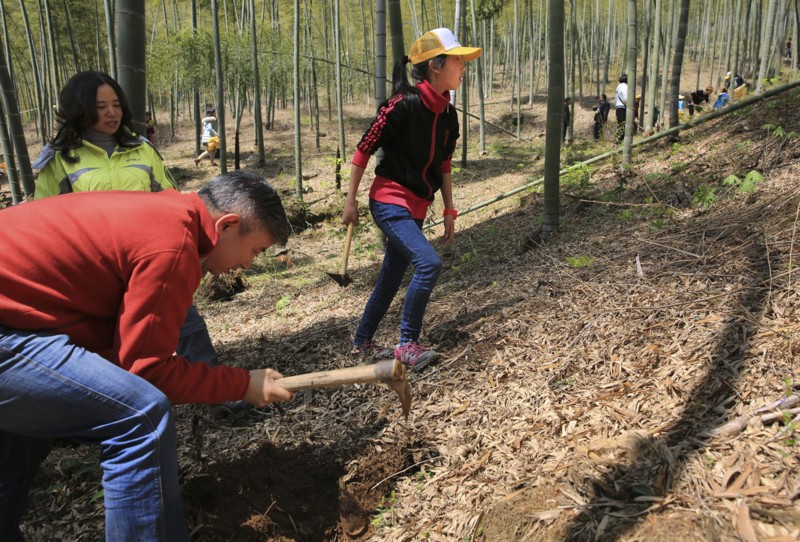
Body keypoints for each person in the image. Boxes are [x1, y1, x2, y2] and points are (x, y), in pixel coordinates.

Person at [0, 170, 294, 541]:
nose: (249, 264)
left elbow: (109, 341)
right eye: (256, 250)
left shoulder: (161, 214)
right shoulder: (173, 244)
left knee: (19, 442)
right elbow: (147, 372)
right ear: (228, 225)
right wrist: (241, 383)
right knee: (140, 416)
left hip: (15, 320)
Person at [31, 70, 219, 368]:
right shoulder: (61, 159)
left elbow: (171, 200)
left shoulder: (142, 149)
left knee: (186, 322)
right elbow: (42, 222)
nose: (111, 112)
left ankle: (220, 393)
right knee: (106, 344)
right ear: (79, 108)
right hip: (93, 269)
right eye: (100, 106)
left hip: (147, 259)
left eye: (116, 104)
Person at [343, 28, 481, 370]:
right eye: (457, 61)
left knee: (391, 275)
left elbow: (444, 164)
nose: (463, 67)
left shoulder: (448, 114)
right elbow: (364, 149)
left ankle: (362, 340)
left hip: (418, 204)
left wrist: (449, 208)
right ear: (435, 65)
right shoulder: (402, 105)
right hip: (389, 200)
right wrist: (350, 202)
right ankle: (407, 343)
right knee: (428, 264)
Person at [615, 74, 628, 142]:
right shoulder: (624, 87)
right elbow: (626, 99)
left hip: (619, 108)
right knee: (623, 125)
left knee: (620, 125)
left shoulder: (619, 87)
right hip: (623, 108)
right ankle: (620, 141)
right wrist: (629, 106)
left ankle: (617, 140)